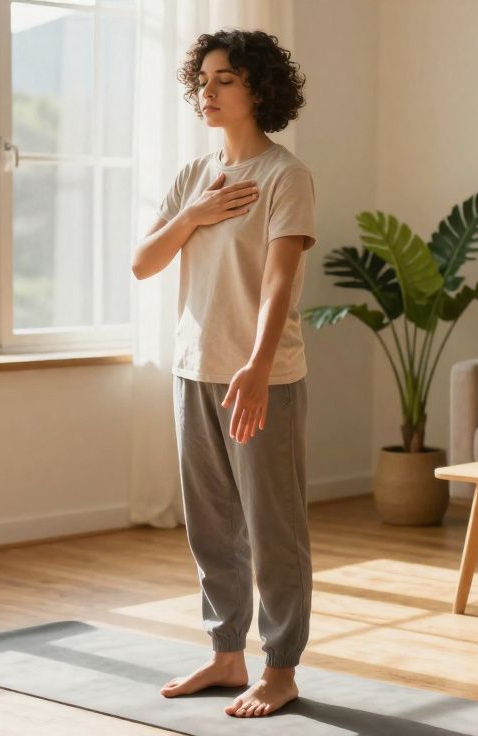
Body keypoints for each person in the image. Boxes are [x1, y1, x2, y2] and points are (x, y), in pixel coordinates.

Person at [130, 29, 315, 719]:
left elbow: (279, 281)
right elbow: (144, 262)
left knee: (273, 530)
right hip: (193, 370)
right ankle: (226, 653)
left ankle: (282, 666)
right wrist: (196, 212)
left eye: (224, 79)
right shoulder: (193, 177)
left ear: (259, 89)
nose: (207, 90)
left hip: (261, 376)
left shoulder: (284, 177)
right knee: (210, 526)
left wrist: (259, 367)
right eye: (202, 79)